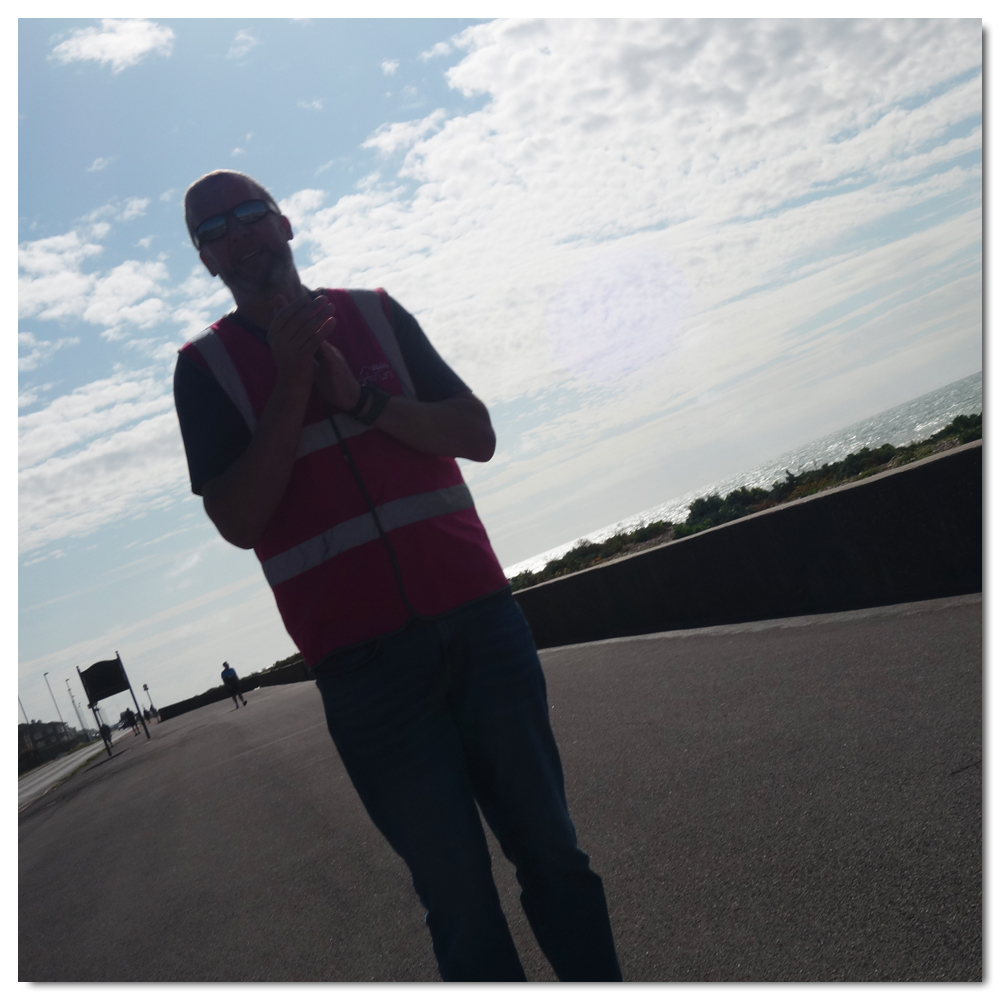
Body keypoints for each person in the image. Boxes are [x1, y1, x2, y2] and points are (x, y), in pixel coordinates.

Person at [172, 169, 621, 982]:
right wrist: (293, 380)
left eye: (248, 215)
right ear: (206, 261)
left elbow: (476, 433)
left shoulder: (376, 311)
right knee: (459, 904)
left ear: (286, 222)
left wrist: (361, 400)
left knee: (557, 859)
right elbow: (238, 520)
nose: (237, 237)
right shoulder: (205, 370)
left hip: (482, 627)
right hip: (366, 672)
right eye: (214, 232)